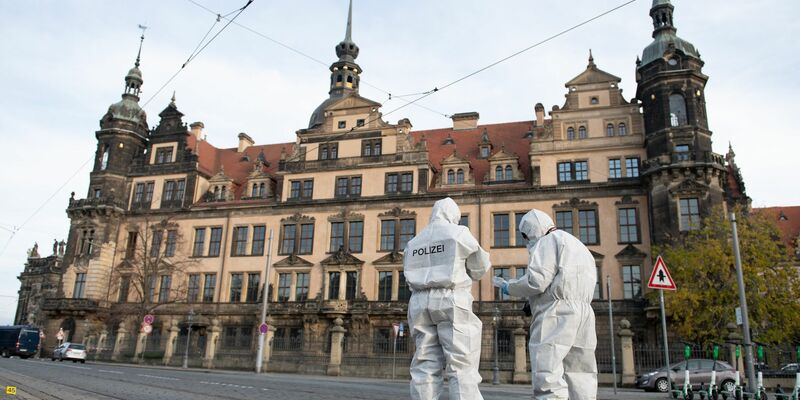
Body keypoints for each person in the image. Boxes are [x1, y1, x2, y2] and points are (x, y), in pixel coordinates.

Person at [493, 209, 597, 400]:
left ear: (532, 230)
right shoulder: (578, 245)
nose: (527, 241)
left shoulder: (547, 241)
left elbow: (537, 281)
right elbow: (561, 280)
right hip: (584, 312)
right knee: (581, 371)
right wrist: (533, 302)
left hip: (557, 313)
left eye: (526, 236)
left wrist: (509, 287)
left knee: (547, 370)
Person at [404, 197, 491, 400]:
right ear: (454, 216)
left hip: (418, 301)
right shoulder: (459, 232)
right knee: (461, 363)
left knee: (424, 362)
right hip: (450, 298)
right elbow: (480, 267)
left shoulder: (414, 241)